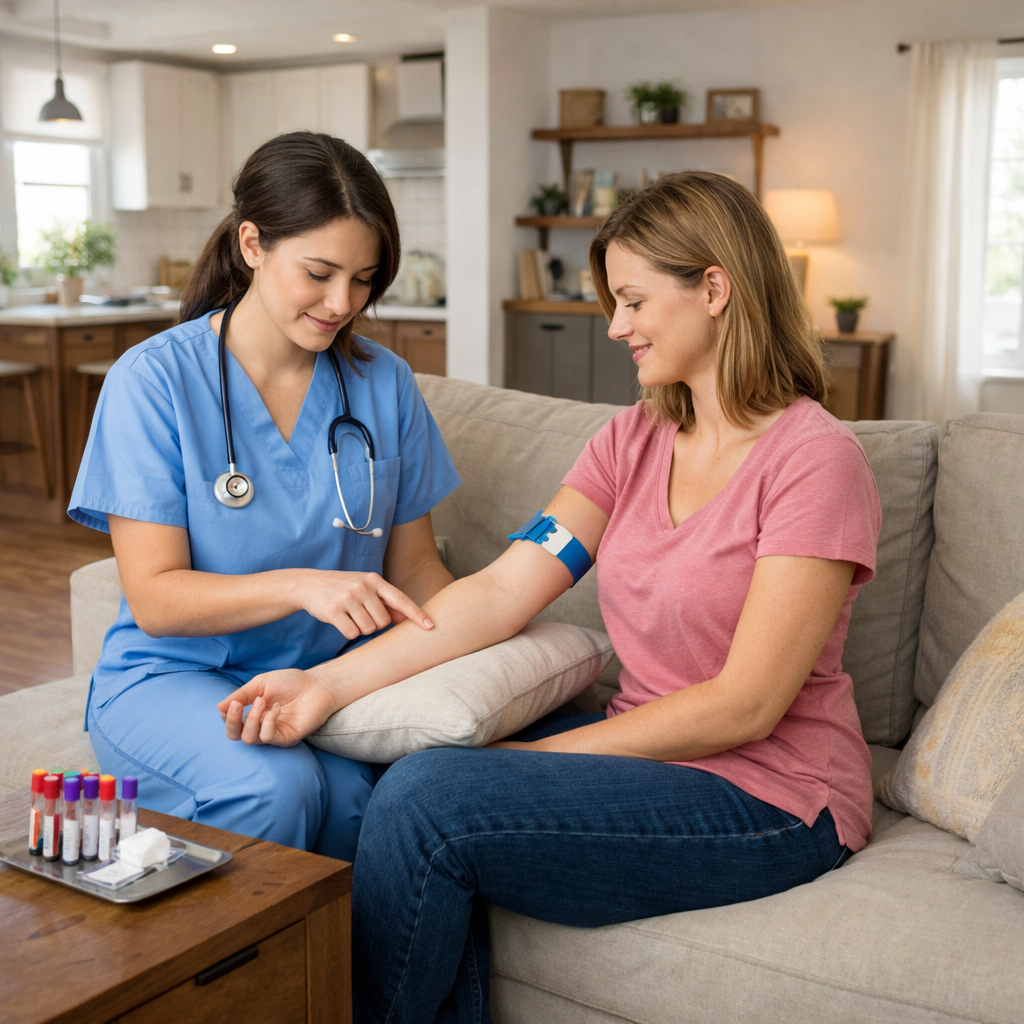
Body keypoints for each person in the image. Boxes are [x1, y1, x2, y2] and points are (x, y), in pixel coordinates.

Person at [221, 171, 882, 1023]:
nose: (617, 327)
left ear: (714, 289)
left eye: (635, 301)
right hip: (654, 755)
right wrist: (328, 686)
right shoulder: (631, 440)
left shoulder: (814, 461)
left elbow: (746, 706)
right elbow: (502, 590)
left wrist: (527, 767)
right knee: (412, 758)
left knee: (434, 800)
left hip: (774, 797)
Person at [68, 131, 460, 862]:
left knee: (359, 804)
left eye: (365, 279)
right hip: (175, 677)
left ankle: (338, 983)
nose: (343, 302)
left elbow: (417, 572)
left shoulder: (384, 383)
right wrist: (302, 587)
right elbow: (155, 599)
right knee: (276, 789)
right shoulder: (153, 381)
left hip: (320, 682)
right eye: (319, 272)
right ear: (252, 244)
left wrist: (475, 638)